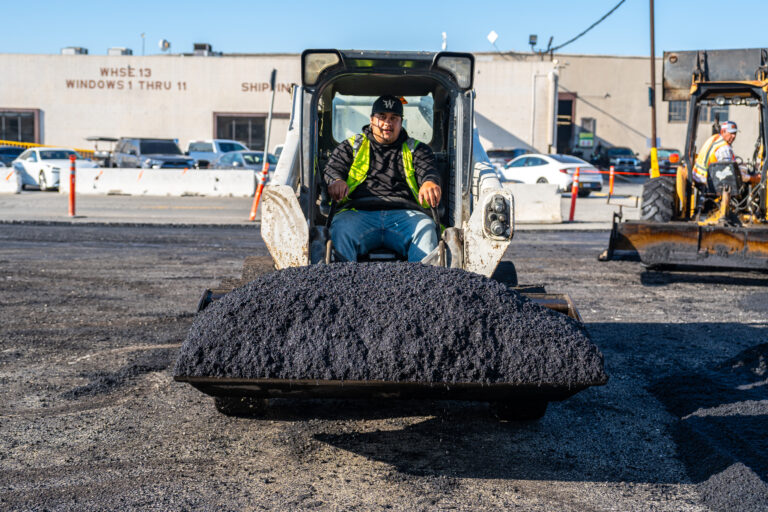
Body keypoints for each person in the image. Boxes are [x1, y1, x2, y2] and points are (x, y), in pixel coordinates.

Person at [323, 95, 442, 262]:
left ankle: (424, 278)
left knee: (426, 228)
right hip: (357, 214)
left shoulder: (417, 149)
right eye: (382, 117)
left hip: (406, 216)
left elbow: (428, 170)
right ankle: (341, 277)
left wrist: (429, 182)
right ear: (372, 120)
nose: (387, 123)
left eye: (394, 118)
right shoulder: (351, 146)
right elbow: (333, 168)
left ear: (401, 122)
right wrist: (336, 181)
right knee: (340, 228)